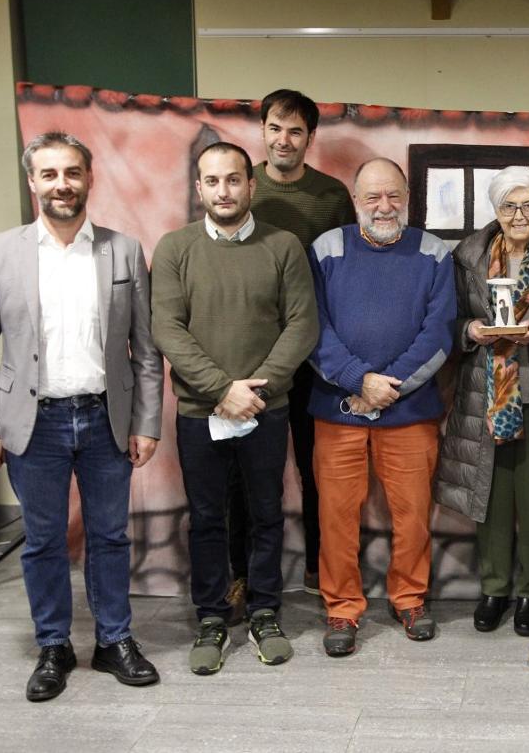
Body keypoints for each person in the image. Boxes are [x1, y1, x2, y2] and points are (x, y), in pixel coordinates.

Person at [0, 131, 163, 701]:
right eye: (49, 174)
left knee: (110, 537)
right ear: (32, 183)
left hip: (106, 419)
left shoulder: (122, 250)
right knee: (44, 541)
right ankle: (53, 645)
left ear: (88, 179)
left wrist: (146, 422)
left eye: (71, 172)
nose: (61, 185)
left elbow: (146, 351)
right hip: (33, 423)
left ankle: (114, 640)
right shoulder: (0, 250)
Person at [150, 141, 318, 675]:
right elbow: (166, 329)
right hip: (202, 413)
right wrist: (223, 390)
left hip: (266, 412)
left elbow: (302, 325)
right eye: (212, 181)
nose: (223, 191)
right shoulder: (175, 248)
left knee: (267, 515)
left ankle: (266, 611)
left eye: (233, 180)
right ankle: (212, 616)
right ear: (199, 188)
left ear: (250, 184)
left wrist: (255, 395)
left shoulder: (284, 245)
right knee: (206, 519)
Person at [308, 158, 456, 656]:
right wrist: (357, 380)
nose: (384, 207)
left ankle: (409, 598)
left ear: (408, 198)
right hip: (338, 407)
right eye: (373, 197)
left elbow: (438, 336)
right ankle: (342, 608)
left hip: (408, 410)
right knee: (336, 515)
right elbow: (313, 329)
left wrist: (387, 388)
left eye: (393, 196)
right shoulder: (325, 249)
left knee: (413, 514)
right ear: (356, 201)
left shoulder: (435, 254)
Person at [223, 89, 354, 606]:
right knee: (248, 473)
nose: (284, 139)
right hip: (250, 355)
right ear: (262, 131)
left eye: (296, 131)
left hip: (316, 357)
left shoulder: (332, 194)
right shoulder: (243, 189)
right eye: (276, 128)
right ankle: (245, 576)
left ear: (309, 138)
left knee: (316, 468)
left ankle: (324, 571)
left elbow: (344, 274)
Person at [435, 166, 529, 636]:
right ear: (495, 210)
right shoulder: (469, 255)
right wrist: (469, 331)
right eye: (509, 206)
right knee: (489, 497)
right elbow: (446, 320)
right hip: (485, 390)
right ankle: (494, 588)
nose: (519, 214)